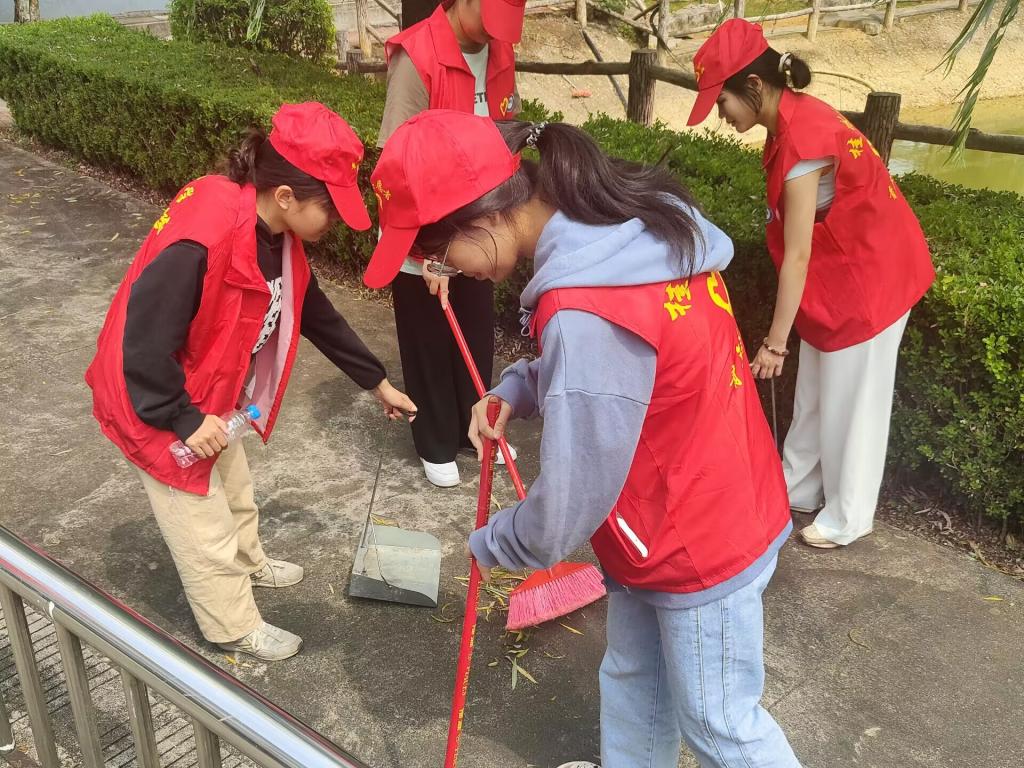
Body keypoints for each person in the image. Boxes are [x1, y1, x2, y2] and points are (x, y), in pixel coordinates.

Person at [364, 109, 801, 768]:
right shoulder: (623, 234)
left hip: (696, 540)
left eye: (438, 255)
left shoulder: (586, 305)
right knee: (635, 678)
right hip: (694, 504)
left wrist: (494, 544)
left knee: (720, 724)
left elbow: (569, 501)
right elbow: (628, 370)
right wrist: (518, 388)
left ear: (484, 218)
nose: (444, 272)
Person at [86, 102, 416, 661]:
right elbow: (140, 340)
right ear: (286, 195)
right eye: (330, 208)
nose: (335, 222)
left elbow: (312, 311)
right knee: (203, 523)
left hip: (209, 390)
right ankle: (233, 625)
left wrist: (376, 381)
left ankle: (249, 562)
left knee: (236, 488)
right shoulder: (206, 234)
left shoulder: (275, 232)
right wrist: (181, 417)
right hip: (155, 397)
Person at [686, 19, 935, 549]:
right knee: (818, 387)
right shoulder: (789, 122)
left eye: (722, 102)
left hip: (873, 278)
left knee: (853, 399)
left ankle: (849, 516)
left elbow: (796, 254)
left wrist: (775, 343)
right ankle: (796, 485)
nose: (720, 115)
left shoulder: (803, 140)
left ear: (754, 86)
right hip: (843, 271)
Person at [368, 0, 525, 488]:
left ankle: (471, 428)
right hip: (422, 231)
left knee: (474, 334)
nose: (493, 36)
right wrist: (428, 252)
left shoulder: (499, 51)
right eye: (489, 20)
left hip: (478, 232)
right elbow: (398, 162)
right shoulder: (417, 56)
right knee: (429, 342)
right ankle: (434, 440)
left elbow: (507, 136)